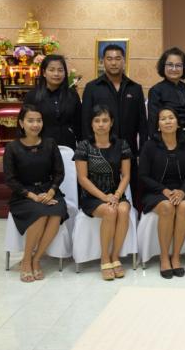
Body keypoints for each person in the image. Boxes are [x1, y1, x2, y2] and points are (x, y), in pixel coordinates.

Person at [3, 104, 68, 282]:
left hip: (48, 190)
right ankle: (26, 260)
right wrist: (32, 196)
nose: (35, 124)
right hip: (24, 194)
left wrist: (51, 192)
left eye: (39, 120)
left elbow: (59, 172)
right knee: (40, 213)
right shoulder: (12, 147)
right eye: (30, 120)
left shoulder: (50, 143)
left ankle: (36, 259)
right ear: (21, 123)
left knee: (56, 213)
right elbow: (10, 179)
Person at [81, 44, 147, 204]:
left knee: (132, 192)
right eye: (109, 59)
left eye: (118, 58)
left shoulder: (135, 88)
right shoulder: (92, 88)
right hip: (100, 151)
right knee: (102, 191)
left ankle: (131, 217)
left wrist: (142, 152)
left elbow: (142, 124)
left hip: (129, 150)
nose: (113, 62)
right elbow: (85, 121)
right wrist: (89, 150)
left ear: (124, 61)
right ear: (103, 61)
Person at [74, 104, 132, 281]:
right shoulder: (84, 146)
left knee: (123, 210)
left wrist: (117, 195)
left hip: (116, 193)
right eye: (97, 120)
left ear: (111, 122)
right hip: (92, 196)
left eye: (105, 120)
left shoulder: (121, 144)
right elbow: (82, 178)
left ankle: (115, 256)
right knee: (110, 211)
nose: (101, 124)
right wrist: (104, 197)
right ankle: (105, 258)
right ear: (91, 124)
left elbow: (126, 175)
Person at [139, 107, 185, 279]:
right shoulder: (149, 146)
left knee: (184, 207)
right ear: (158, 125)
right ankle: (164, 257)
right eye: (163, 119)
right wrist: (163, 190)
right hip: (156, 191)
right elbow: (143, 176)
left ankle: (176, 256)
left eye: (171, 118)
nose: (167, 121)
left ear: (178, 123)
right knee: (167, 207)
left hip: (181, 190)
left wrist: (183, 191)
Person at [24, 54, 82, 149]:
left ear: (65, 73)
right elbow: (25, 124)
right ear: (44, 72)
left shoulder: (72, 95)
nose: (56, 74)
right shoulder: (32, 96)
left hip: (68, 146)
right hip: (41, 146)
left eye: (60, 70)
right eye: (51, 70)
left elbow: (79, 123)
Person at [147, 47, 185, 143]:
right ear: (163, 66)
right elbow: (153, 123)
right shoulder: (156, 90)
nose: (174, 69)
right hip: (167, 142)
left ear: (184, 67)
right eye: (170, 65)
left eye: (178, 65)